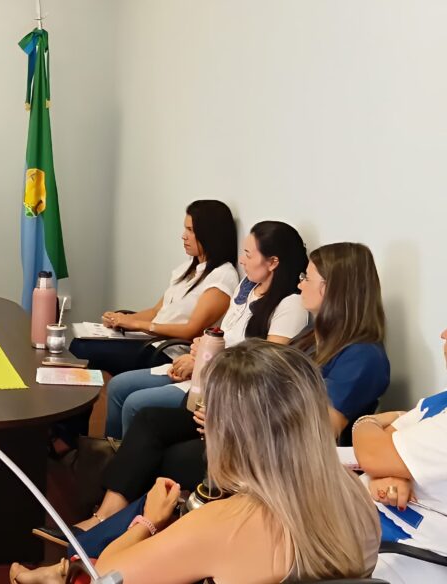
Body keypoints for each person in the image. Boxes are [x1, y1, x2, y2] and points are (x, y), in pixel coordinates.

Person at [51, 242, 390, 550]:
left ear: (331, 288)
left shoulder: (362, 357)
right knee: (150, 420)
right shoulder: (313, 335)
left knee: (170, 459)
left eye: (307, 277)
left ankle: (112, 541)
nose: (300, 283)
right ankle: (106, 517)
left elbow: (319, 428)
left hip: (271, 451)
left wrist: (234, 420)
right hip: (246, 428)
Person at [12, 341, 380, 584]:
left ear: (228, 430)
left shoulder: (225, 524)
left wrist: (148, 522)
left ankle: (63, 569)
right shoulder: (356, 497)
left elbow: (108, 574)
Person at [103, 221, 309, 438]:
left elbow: (265, 366)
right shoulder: (248, 286)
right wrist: (199, 351)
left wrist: (204, 362)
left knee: (136, 404)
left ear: (273, 262)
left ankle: (129, 455)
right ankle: (110, 450)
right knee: (118, 385)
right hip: (205, 369)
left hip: (228, 386)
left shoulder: (291, 305)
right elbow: (224, 334)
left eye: (248, 255)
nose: (242, 260)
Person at [69, 200, 239, 377]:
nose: (183, 236)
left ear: (210, 234)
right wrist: (120, 320)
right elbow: (157, 311)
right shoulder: (189, 267)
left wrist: (136, 324)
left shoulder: (222, 276)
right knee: (80, 343)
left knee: (83, 349)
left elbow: (191, 330)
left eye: (190, 230)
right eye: (185, 229)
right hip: (152, 341)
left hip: (169, 352)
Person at [353, 327, 447, 583]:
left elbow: (373, 453)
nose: (443, 334)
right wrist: (384, 473)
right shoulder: (441, 401)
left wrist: (365, 422)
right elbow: (383, 445)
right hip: (364, 522)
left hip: (402, 555)